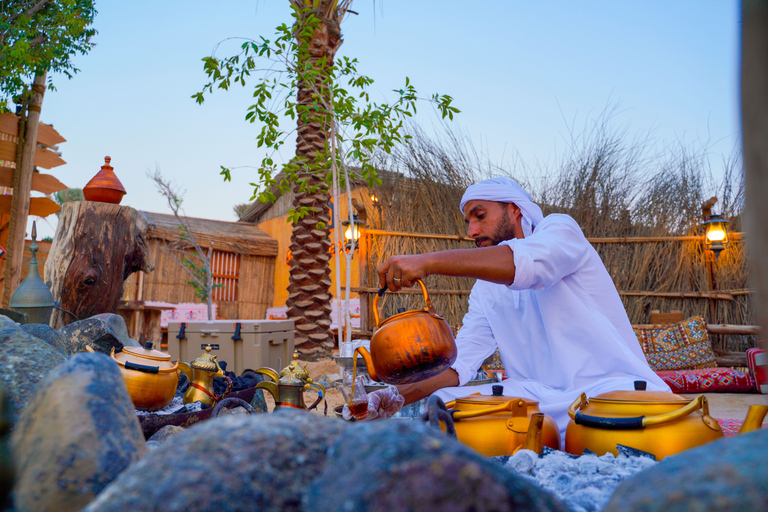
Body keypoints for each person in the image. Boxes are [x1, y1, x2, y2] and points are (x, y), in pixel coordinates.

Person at [376, 177, 669, 440]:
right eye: (468, 222)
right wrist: (392, 397)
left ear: (515, 210)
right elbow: (461, 362)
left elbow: (526, 264)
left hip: (607, 392)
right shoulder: (485, 288)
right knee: (443, 401)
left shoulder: (560, 230)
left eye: (480, 216)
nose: (471, 230)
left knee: (608, 418)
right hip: (535, 402)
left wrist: (428, 262)